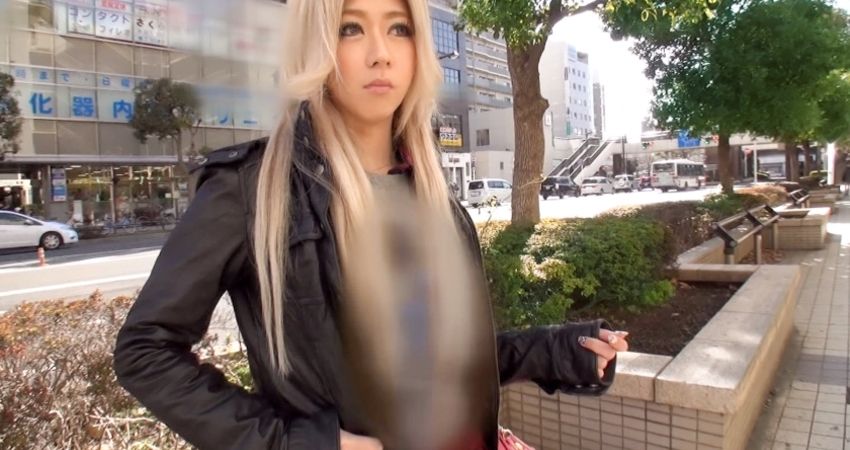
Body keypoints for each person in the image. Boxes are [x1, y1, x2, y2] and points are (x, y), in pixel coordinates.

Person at [112, 1, 628, 449]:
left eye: (398, 28)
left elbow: (443, 365)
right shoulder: (252, 188)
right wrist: (299, 444)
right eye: (350, 28)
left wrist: (558, 351)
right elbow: (145, 351)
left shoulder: (433, 194)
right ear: (315, 44)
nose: (381, 53)